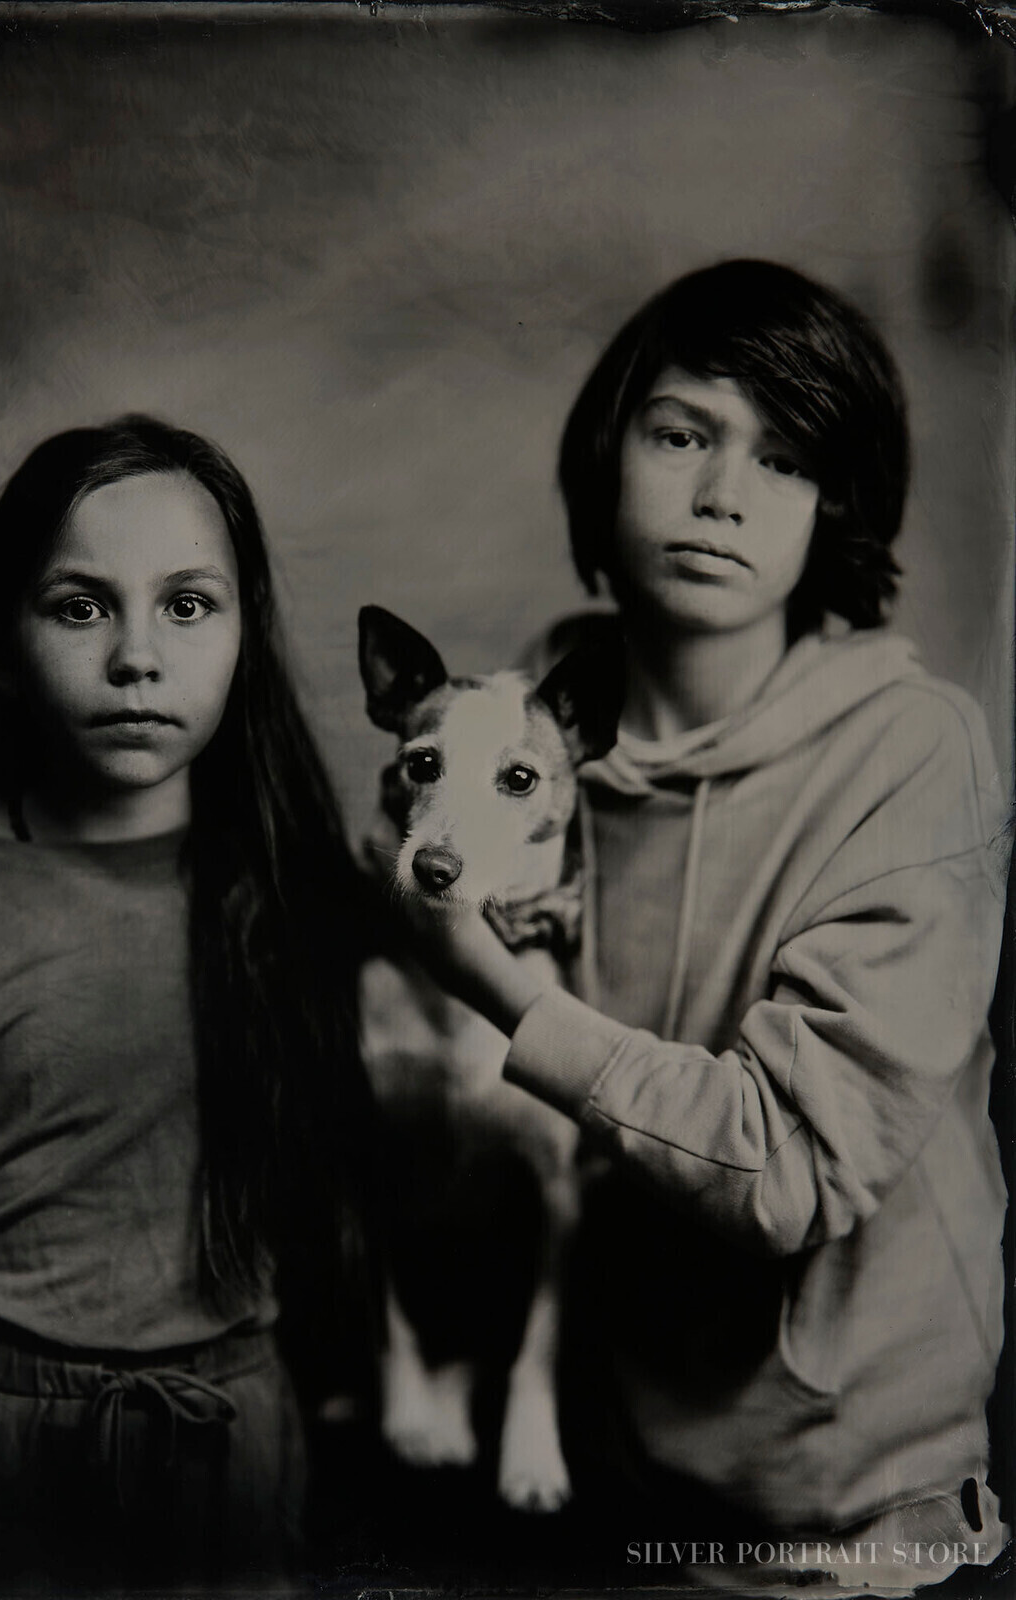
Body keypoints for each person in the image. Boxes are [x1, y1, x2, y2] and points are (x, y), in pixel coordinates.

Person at [399, 261, 1009, 1590]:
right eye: (681, 436)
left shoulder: (913, 756)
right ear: (606, 454)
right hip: (592, 1479)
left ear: (831, 506)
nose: (722, 495)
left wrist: (505, 993)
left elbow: (784, 1170)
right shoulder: (516, 750)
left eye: (784, 461)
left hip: (843, 1518)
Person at [0, 416, 375, 1595]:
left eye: (189, 605)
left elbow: (351, 1246)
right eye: (79, 606)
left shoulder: (309, 904)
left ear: (248, 636)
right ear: (3, 644)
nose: (137, 657)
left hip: (239, 1451)